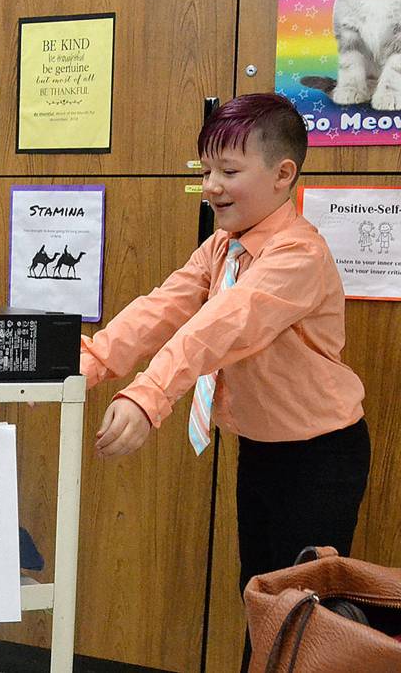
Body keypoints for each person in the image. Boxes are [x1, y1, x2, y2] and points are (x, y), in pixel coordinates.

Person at [78, 94, 369, 670]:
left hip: (321, 457)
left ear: (283, 174)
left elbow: (216, 327)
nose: (211, 185)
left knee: (302, 612)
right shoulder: (222, 247)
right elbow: (161, 309)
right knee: (259, 596)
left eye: (229, 172)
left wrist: (149, 395)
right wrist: (78, 368)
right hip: (263, 449)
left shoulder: (297, 255)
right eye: (206, 171)